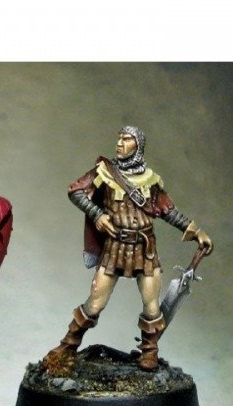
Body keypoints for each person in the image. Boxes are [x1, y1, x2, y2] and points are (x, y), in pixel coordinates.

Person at [42, 126, 213, 372]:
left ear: (138, 146)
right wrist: (97, 214)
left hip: (145, 248)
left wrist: (196, 231)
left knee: (152, 305)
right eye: (119, 138)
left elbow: (168, 211)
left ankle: (150, 351)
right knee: (95, 302)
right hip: (115, 247)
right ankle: (68, 344)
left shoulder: (150, 180)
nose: (120, 143)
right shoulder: (105, 172)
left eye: (127, 139)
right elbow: (76, 191)